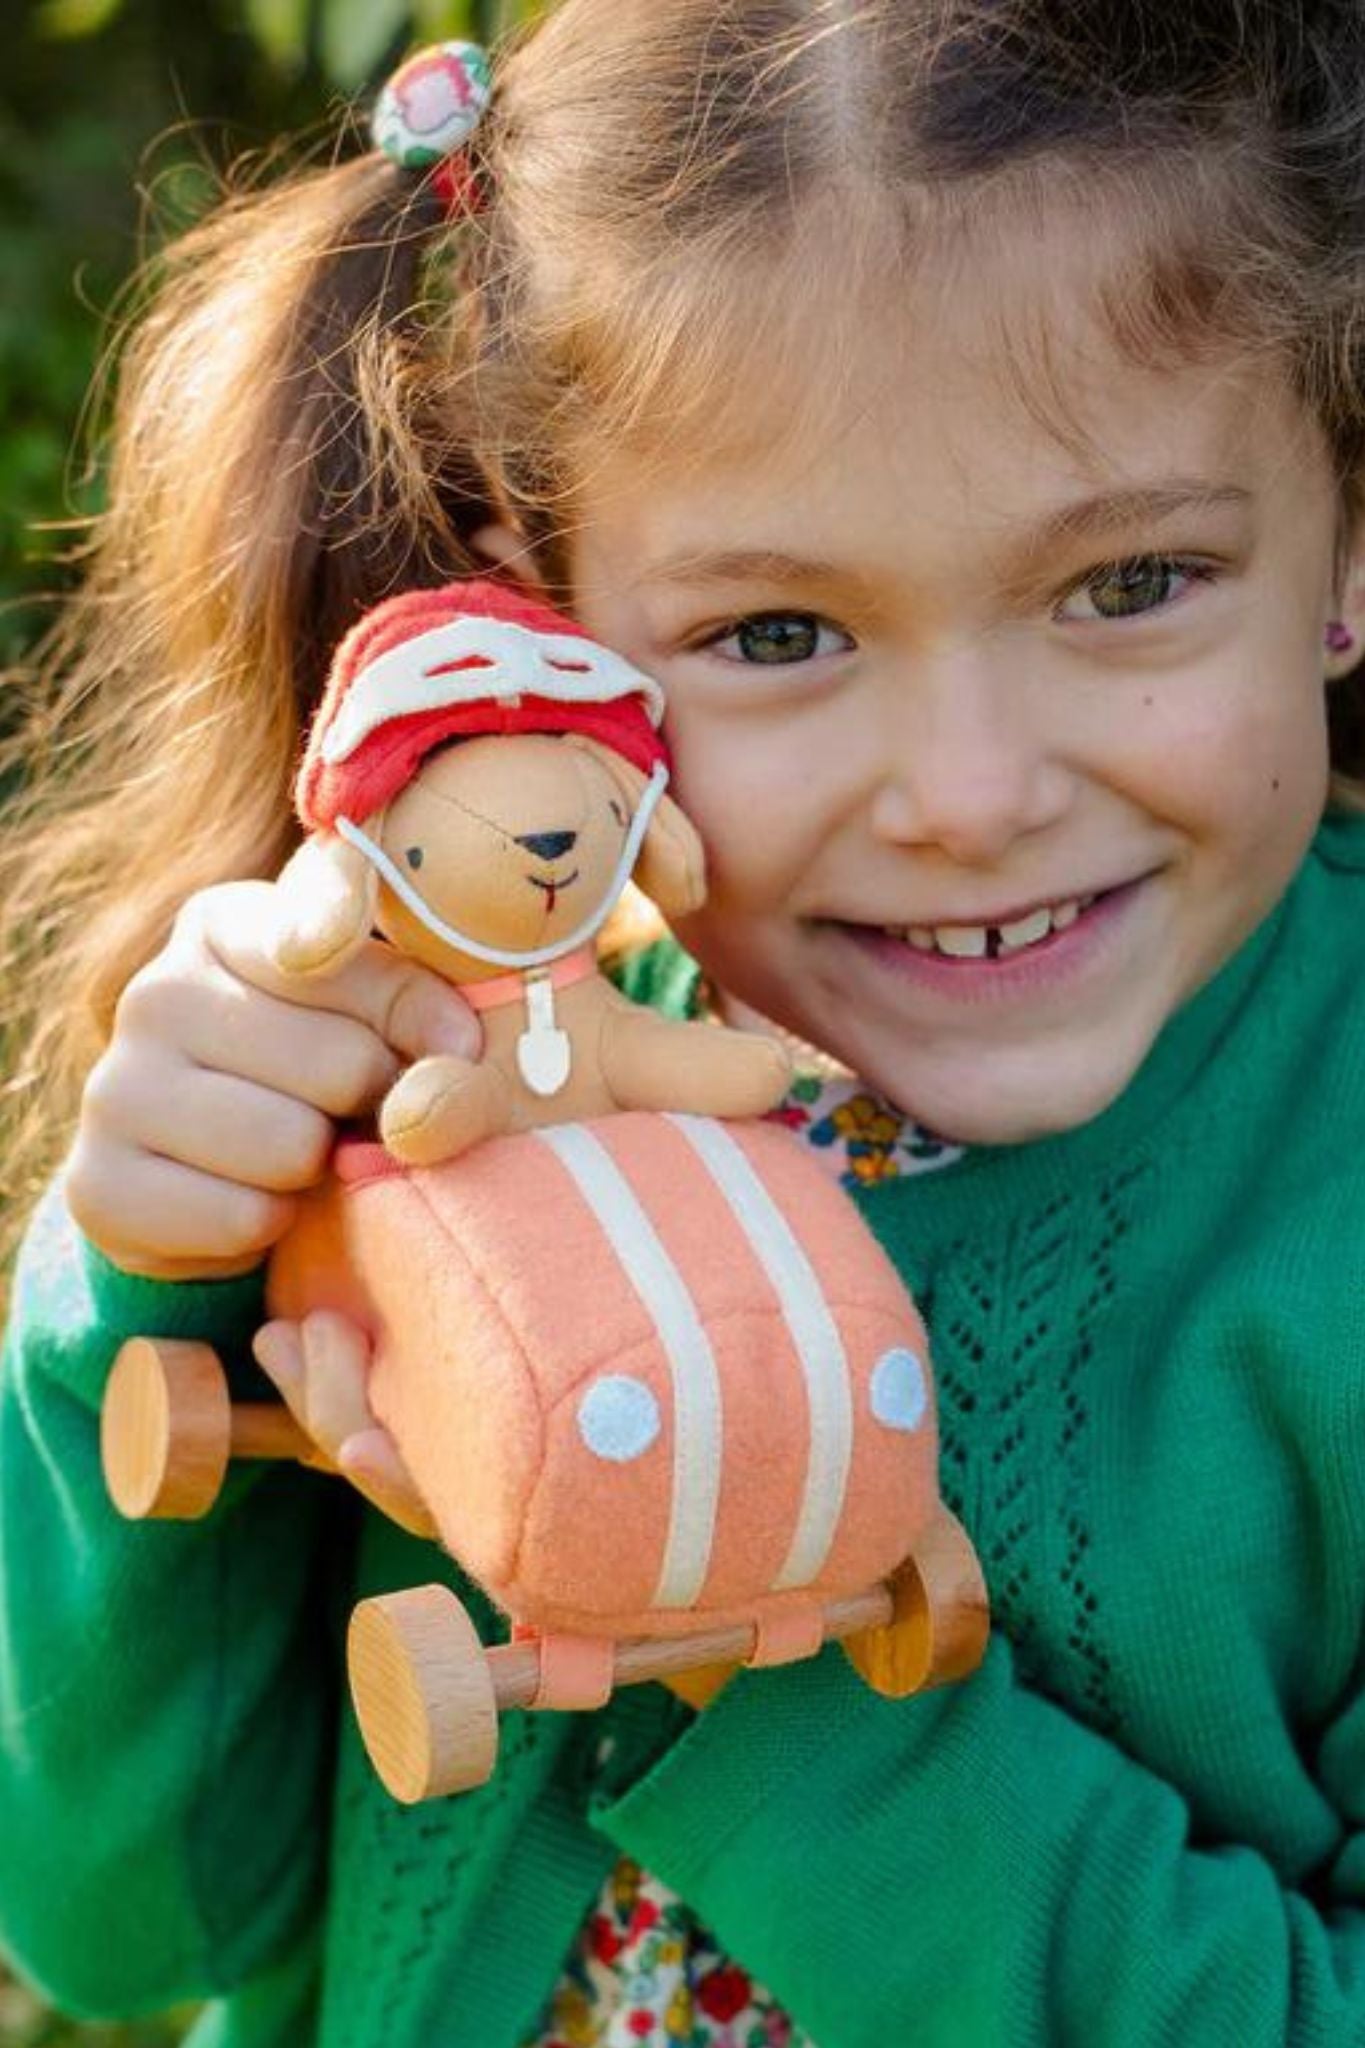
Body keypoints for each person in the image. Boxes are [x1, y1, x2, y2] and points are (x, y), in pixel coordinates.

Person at [3, 3, 1365, 2042]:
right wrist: (147, 1293)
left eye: (1128, 583)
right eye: (777, 632)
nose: (966, 793)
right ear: (535, 629)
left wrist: (757, 1643)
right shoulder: (448, 1092)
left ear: (1345, 532)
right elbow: (120, 1927)